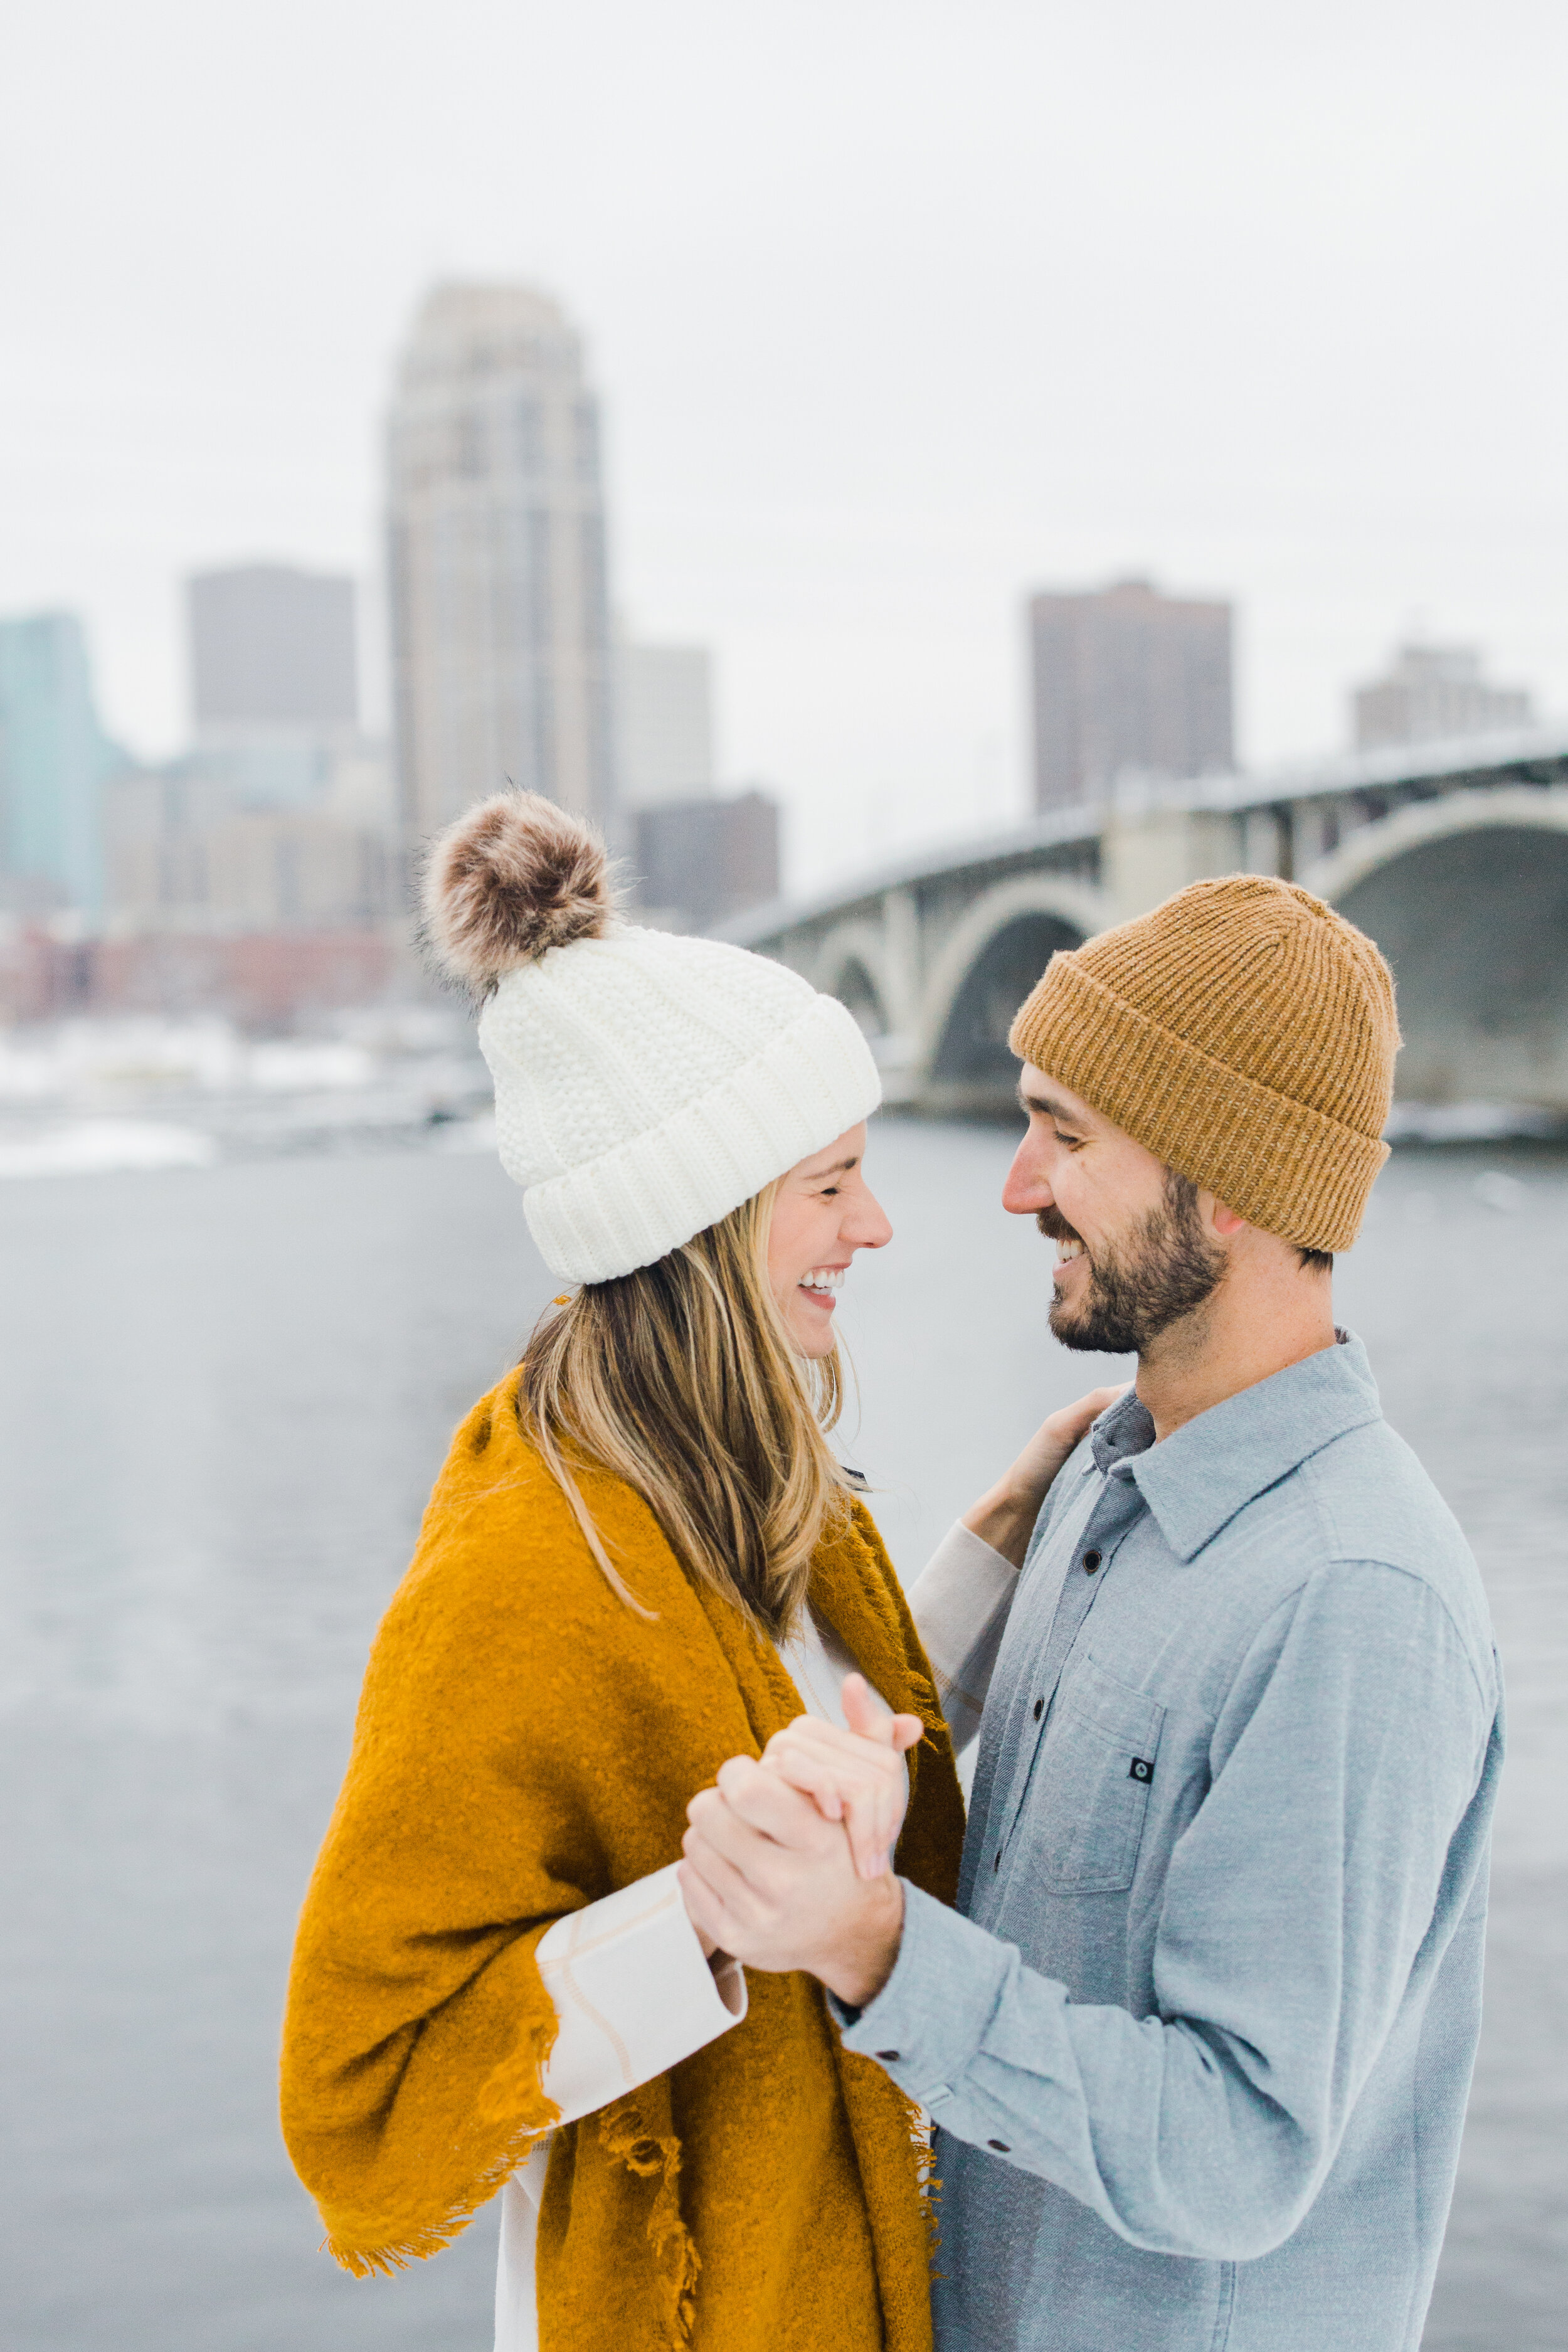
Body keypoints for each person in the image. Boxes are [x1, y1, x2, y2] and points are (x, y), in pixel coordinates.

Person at [278, 789, 1106, 2352]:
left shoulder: (756, 1485)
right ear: (702, 1221)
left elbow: (779, 1747)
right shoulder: (518, 1569)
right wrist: (708, 1921)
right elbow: (359, 2102)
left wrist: (991, 1557)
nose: (874, 1226)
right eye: (826, 1183)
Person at [679, 876, 1505, 2352]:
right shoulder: (1094, 1481)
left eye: (1064, 1136)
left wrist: (872, 1952)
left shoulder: (1349, 1599)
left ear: (1225, 1177)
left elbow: (1239, 2154)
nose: (1014, 1185)